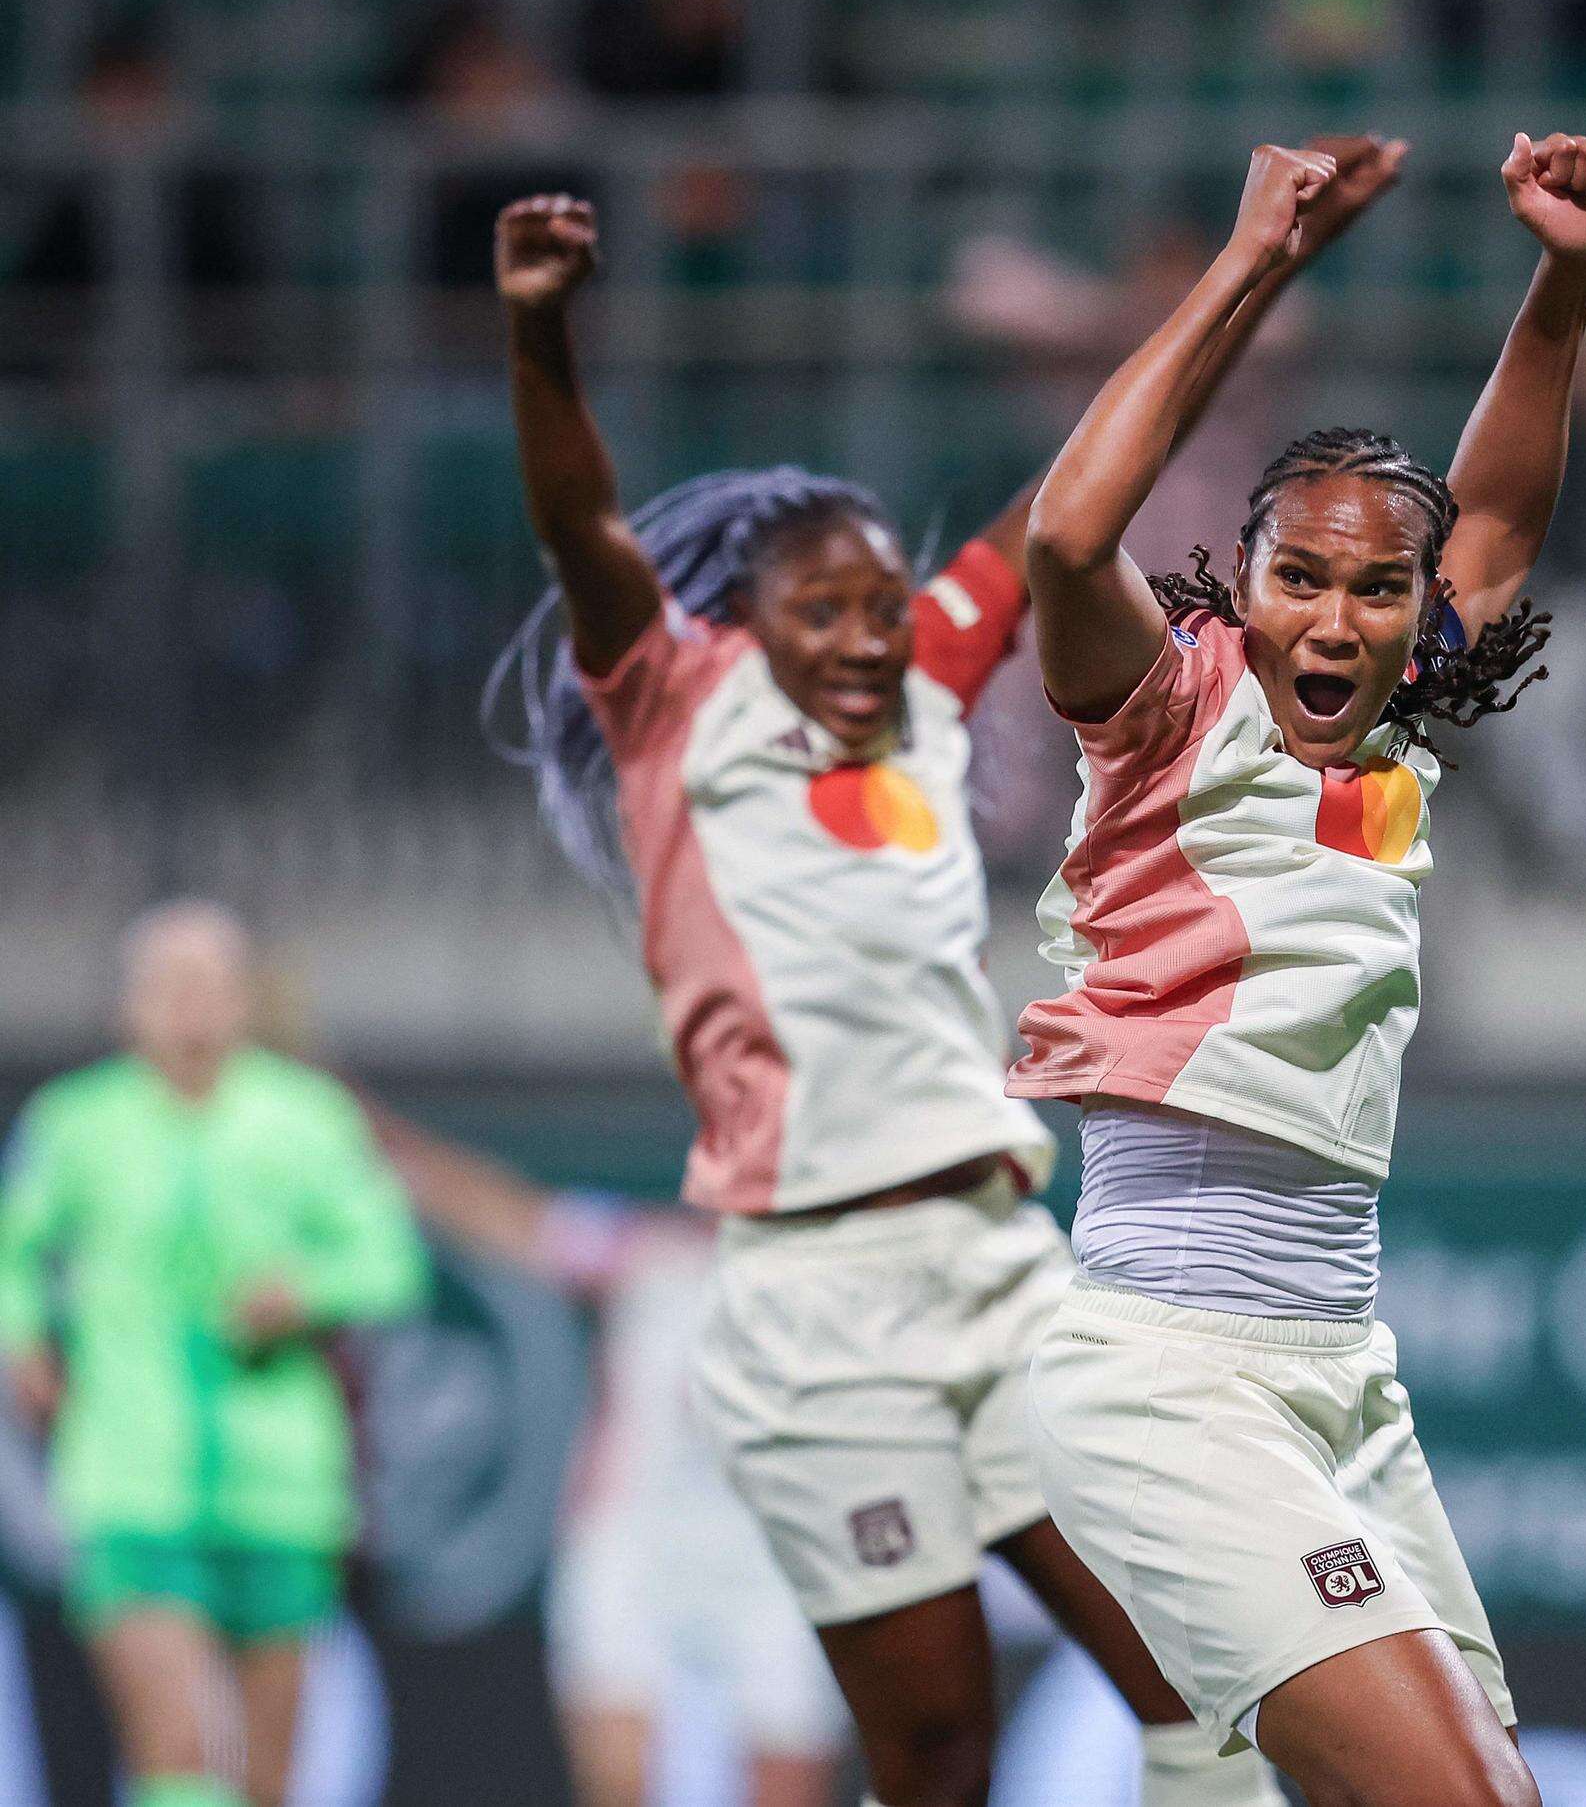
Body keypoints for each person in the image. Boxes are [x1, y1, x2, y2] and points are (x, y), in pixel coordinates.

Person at [484, 146, 1405, 1807]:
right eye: (816, 609)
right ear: (734, 624)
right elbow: (578, 518)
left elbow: (1082, 483)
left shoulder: (919, 686)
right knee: (935, 1755)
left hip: (993, 1260)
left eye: (876, 602)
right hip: (817, 1304)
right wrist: (542, 337)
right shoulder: (674, 706)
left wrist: (1251, 258)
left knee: (1203, 1679)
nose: (860, 634)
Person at [1010, 130, 1586, 1807]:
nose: (1339, 621)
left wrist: (1563, 277)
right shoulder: (1168, 708)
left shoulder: (1391, 727)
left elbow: (1494, 510)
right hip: (1169, 1370)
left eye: (1378, 588)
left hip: (1345, 1373)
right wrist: (1256, 260)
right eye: (1301, 579)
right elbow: (1066, 544)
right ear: (1243, 581)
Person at [0, 902, 431, 1807]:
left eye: (210, 985)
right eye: (168, 985)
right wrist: (22, 1338)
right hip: (131, 1483)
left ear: (244, 1001)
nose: (189, 1007)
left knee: (265, 1777)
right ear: (128, 1004)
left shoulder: (307, 1119)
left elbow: (388, 1259)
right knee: (179, 1752)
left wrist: (303, 1292)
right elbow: (11, 1248)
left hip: (281, 1491)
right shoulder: (78, 1122)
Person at [372, 1110, 847, 1807]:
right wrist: (371, 1131)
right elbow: (500, 1214)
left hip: (780, 1558)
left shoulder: (845, 1280)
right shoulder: (641, 1254)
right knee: (620, 1784)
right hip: (636, 1548)